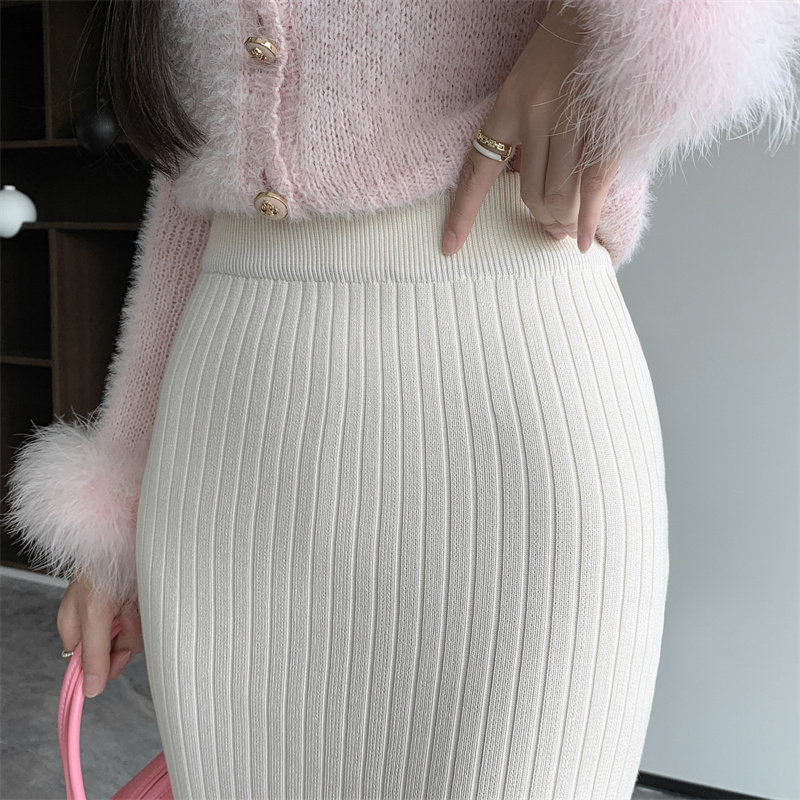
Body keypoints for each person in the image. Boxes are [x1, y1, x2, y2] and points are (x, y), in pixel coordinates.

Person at [5, 1, 798, 798]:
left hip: (512, 420)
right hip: (232, 442)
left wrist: (582, 25)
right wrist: (116, 515)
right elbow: (187, 179)